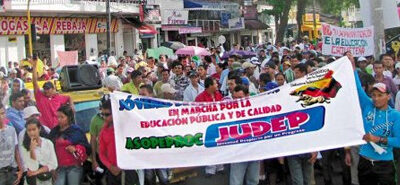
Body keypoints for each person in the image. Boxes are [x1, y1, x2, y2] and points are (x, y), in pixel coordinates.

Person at [349, 55, 400, 185]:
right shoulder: (368, 105)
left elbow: (398, 141)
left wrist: (377, 139)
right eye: (373, 95)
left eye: (380, 95)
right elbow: (358, 88)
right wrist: (353, 68)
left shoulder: (395, 115)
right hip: (364, 161)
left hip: (385, 165)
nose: (376, 99)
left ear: (388, 96)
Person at [98, 99, 139, 185]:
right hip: (112, 172)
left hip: (127, 170)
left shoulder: (125, 127)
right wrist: (110, 167)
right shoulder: (103, 131)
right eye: (102, 114)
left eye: (107, 114)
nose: (105, 117)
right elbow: (101, 153)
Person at [49, 105, 90, 185]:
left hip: (74, 167)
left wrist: (76, 148)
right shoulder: (54, 131)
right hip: (59, 167)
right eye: (58, 117)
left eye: (62, 117)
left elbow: (86, 146)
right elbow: (49, 148)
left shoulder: (76, 131)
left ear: (69, 117)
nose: (59, 120)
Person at [229, 85, 260, 185]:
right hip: (238, 152)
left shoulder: (257, 108)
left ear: (247, 96)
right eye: (235, 98)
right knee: (236, 182)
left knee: (253, 180)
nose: (237, 101)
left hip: (254, 149)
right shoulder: (229, 112)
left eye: (240, 98)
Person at [32, 59, 73, 129]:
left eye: (48, 89)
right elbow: (34, 82)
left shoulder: (59, 97)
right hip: (45, 129)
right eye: (45, 89)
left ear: (53, 89)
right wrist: (34, 67)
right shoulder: (40, 97)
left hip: (58, 129)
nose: (46, 90)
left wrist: (72, 106)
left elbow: (69, 97)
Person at [195, 77, 224, 175]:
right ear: (210, 86)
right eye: (215, 83)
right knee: (209, 146)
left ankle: (220, 166)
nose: (217, 85)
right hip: (207, 126)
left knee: (220, 145)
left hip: (219, 124)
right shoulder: (200, 98)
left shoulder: (218, 95)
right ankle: (210, 169)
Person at [20, 118, 58, 185]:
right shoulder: (24, 146)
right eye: (29, 130)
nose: (32, 133)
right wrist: (32, 150)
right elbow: (32, 167)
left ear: (39, 128)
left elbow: (54, 164)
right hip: (33, 181)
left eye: (34, 129)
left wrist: (38, 171)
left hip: (47, 179)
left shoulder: (48, 143)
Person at [0, 103, 23, 185]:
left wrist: (20, 169)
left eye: (2, 113)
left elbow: (16, 150)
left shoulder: (11, 130)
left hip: (12, 170)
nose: (1, 117)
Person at [89, 95, 108, 185]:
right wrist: (94, 160)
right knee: (99, 180)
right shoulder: (95, 120)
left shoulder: (117, 118)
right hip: (100, 156)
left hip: (114, 156)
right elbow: (92, 140)